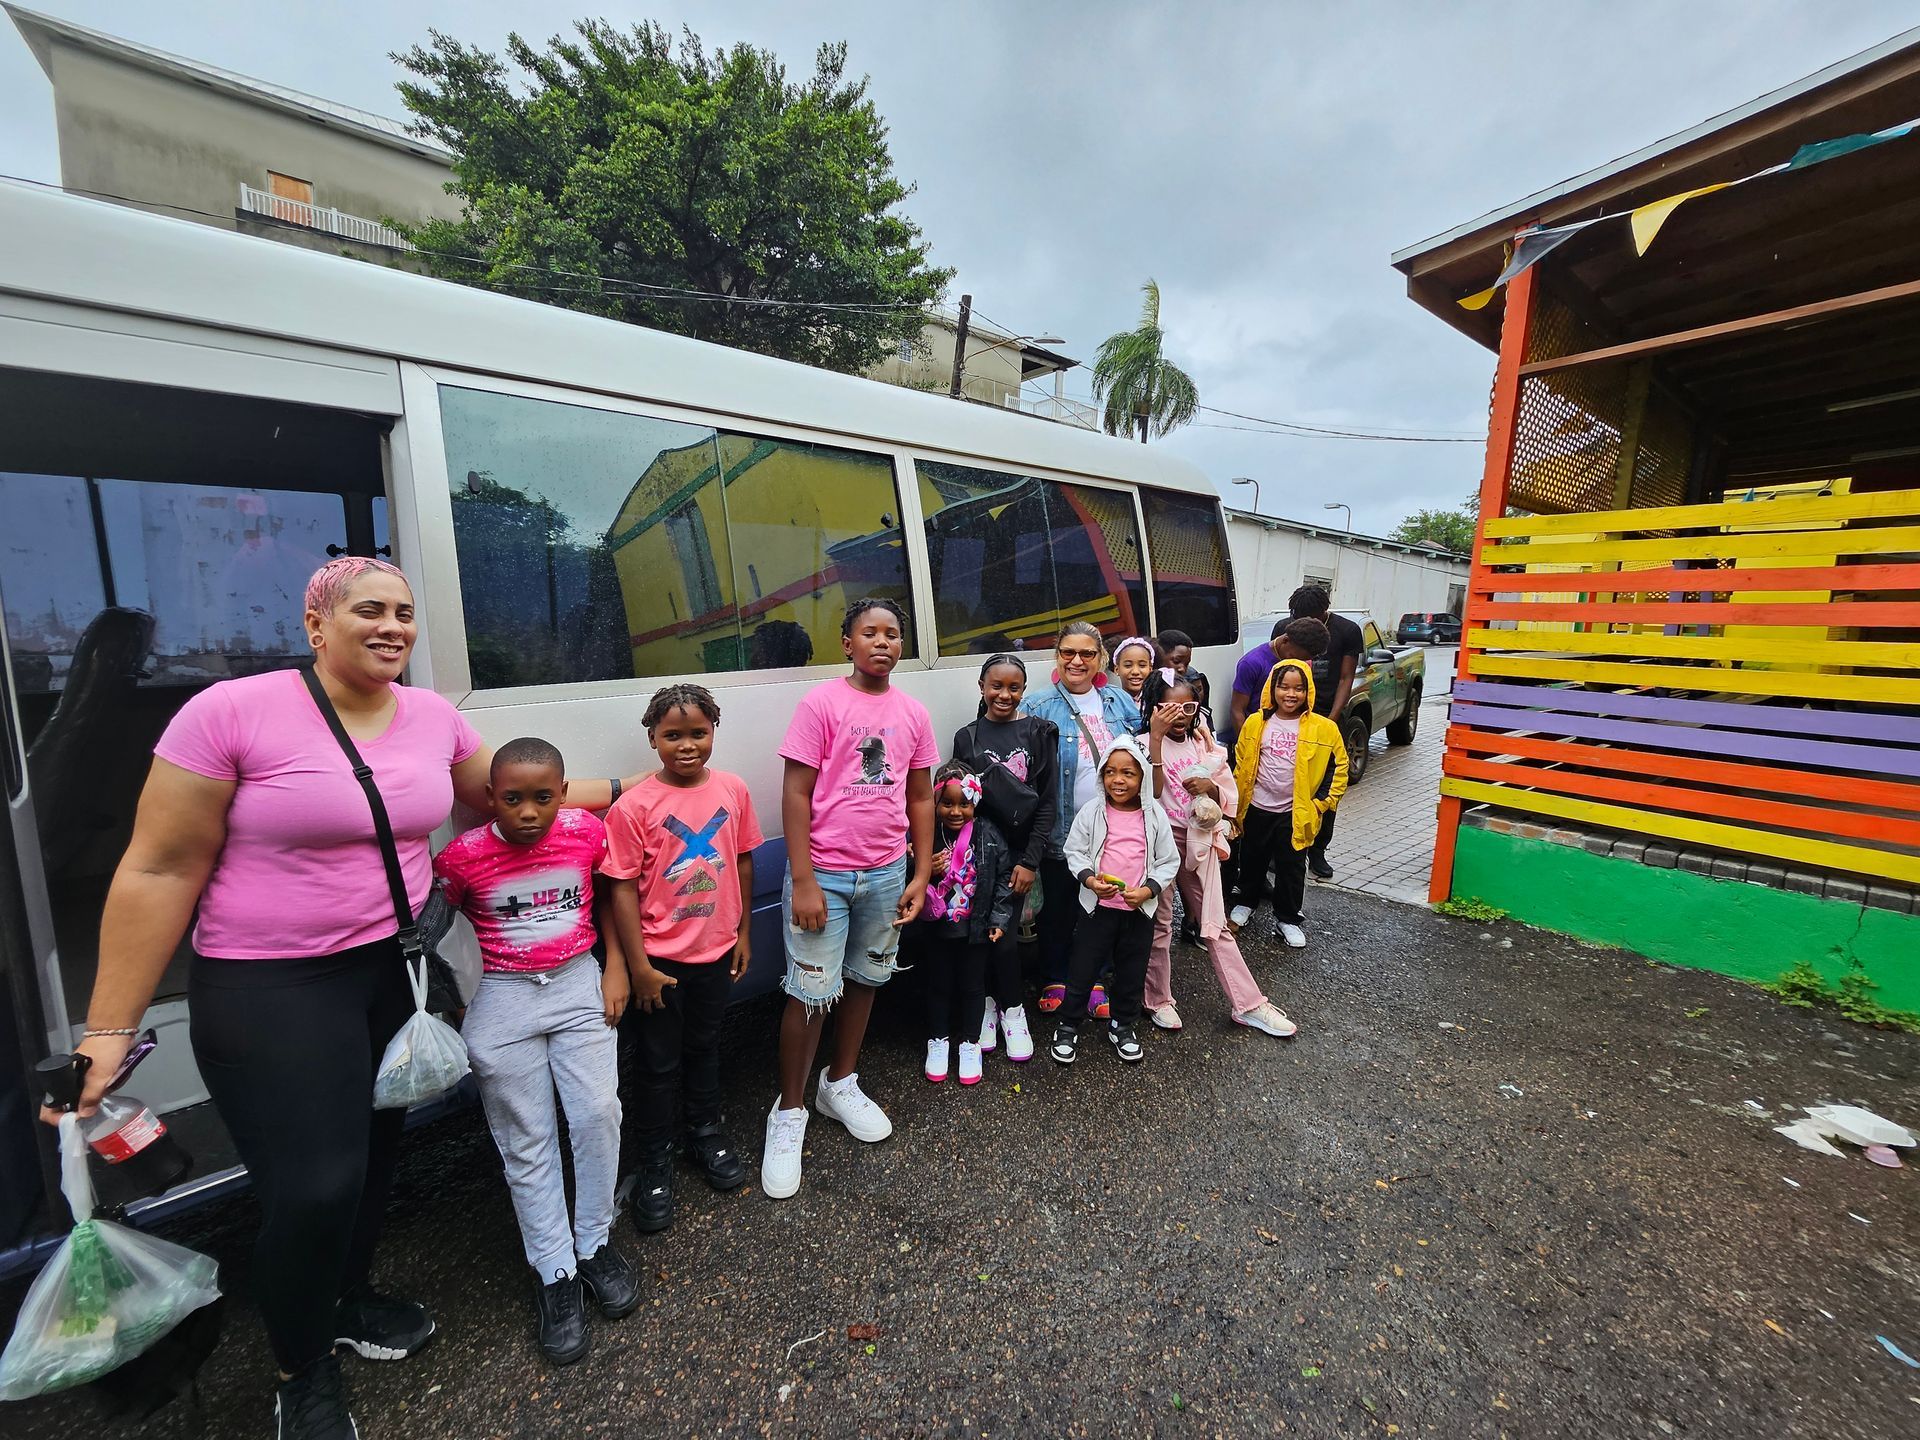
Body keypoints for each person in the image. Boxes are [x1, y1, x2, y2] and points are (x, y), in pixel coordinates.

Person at [44, 556, 639, 1440]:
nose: (394, 625)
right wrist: (106, 1030)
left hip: (386, 973)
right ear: (315, 624)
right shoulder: (230, 714)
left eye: (404, 611)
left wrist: (641, 792)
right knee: (315, 1184)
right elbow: (160, 867)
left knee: (368, 1167)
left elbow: (508, 798)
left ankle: (348, 1302)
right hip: (268, 982)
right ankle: (300, 1370)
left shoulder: (431, 717)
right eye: (370, 609)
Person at [433, 738, 640, 1366]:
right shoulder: (462, 858)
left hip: (579, 979)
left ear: (564, 792)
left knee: (597, 1113)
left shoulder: (584, 833)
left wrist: (618, 970)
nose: (528, 812)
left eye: (544, 797)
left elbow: (609, 895)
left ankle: (594, 1243)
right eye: (513, 799)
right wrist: (459, 1001)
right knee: (526, 1138)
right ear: (489, 798)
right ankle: (554, 1271)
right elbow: (431, 932)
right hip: (504, 995)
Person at [762, 597, 937, 1200]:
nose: (883, 642)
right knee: (810, 992)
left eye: (893, 633)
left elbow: (920, 797)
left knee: (865, 981)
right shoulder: (822, 704)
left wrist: (918, 872)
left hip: (887, 873)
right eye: (870, 632)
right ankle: (788, 1114)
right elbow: (795, 791)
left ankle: (840, 1083)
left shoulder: (913, 712)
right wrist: (804, 878)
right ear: (847, 643)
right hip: (827, 876)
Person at [602, 684, 763, 1235]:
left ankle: (705, 1132)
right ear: (652, 738)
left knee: (705, 1046)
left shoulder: (734, 790)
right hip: (660, 965)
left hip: (715, 954)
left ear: (713, 731)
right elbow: (620, 888)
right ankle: (653, 1160)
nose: (687, 745)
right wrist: (638, 965)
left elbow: (741, 861)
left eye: (698, 733)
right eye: (673, 735)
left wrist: (742, 932)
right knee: (655, 1064)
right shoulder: (633, 807)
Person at [1138, 675, 1295, 1038]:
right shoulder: (1141, 743)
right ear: (1153, 707)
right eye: (1169, 708)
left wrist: (1211, 787)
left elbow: (1227, 792)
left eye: (1188, 708)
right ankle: (1157, 999)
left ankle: (1249, 1004)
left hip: (1198, 842)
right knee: (1158, 925)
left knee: (1215, 924)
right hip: (1156, 844)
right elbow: (1150, 791)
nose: (1180, 716)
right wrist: (1157, 739)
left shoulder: (1204, 743)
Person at [1022, 623, 1142, 1018]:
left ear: (1100, 659)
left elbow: (1139, 758)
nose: (1077, 661)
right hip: (1061, 827)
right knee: (1059, 907)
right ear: (1057, 656)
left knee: (1101, 909)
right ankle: (1055, 974)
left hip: (1113, 828)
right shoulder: (1037, 706)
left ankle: (1093, 978)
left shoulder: (1119, 702)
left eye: (1087, 654)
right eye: (1068, 652)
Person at [949, 653, 1057, 1062]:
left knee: (1007, 940)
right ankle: (989, 1006)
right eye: (996, 686)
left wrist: (1030, 860)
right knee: (981, 938)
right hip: (979, 858)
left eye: (1014, 687)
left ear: (1023, 691)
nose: (1004, 694)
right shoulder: (967, 737)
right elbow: (962, 802)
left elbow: (1046, 802)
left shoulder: (1038, 732)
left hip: (1020, 856)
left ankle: (1014, 1010)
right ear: (981, 687)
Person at [1047, 734, 1177, 1065]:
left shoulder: (1154, 816)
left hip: (1138, 913)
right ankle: (1068, 1025)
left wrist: (1147, 890)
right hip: (1098, 910)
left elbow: (1168, 861)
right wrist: (1090, 880)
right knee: (1082, 969)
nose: (1118, 780)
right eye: (1110, 772)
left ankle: (1122, 1025)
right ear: (1102, 775)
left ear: (1143, 777)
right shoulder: (1093, 811)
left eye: (1128, 773)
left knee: (1131, 972)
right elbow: (1073, 850)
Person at [1229, 659, 1349, 948]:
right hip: (1257, 807)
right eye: (1284, 687)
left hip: (1295, 812)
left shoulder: (1324, 728)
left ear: (1308, 691)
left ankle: (1288, 919)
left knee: (1291, 867)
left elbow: (1338, 767)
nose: (1290, 694)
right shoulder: (1256, 722)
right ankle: (1246, 902)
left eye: (1298, 688)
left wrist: (1321, 804)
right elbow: (1241, 762)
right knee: (1252, 859)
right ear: (1273, 687)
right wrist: (1234, 802)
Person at [913, 761, 1016, 1086]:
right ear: (935, 802)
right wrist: (926, 869)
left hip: (976, 929)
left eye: (964, 804)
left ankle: (970, 1042)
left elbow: (1003, 879)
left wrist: (999, 918)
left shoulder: (988, 834)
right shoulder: (925, 834)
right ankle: (938, 1040)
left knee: (974, 987)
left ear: (975, 803)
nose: (955, 811)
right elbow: (905, 876)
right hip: (937, 928)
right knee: (938, 984)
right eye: (947, 803)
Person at [1287, 585, 1364, 881]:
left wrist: (1331, 720)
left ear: (1325, 611)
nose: (1306, 621)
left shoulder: (1347, 630)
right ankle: (1287, 846)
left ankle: (1318, 851)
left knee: (1325, 788)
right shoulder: (1287, 628)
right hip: (1291, 718)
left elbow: (1346, 677)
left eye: (1313, 617)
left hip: (1328, 719)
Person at [1110, 636, 1157, 713]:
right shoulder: (1110, 703)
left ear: (1150, 669)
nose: (1135, 672)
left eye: (1142, 665)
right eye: (1128, 665)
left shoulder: (1156, 702)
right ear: (1116, 669)